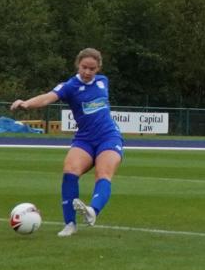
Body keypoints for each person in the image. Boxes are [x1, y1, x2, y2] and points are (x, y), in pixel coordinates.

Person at [10, 48, 123, 238]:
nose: (87, 72)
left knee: (103, 173)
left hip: (109, 137)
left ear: (98, 69)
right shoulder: (69, 86)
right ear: (77, 64)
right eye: (84, 67)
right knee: (70, 171)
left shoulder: (103, 81)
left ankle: (93, 211)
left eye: (92, 69)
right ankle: (70, 224)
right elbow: (48, 97)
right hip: (84, 139)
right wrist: (26, 103)